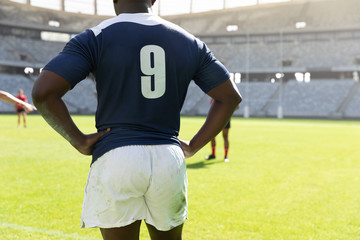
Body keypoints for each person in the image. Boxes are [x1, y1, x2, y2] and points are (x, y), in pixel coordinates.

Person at [32, 0, 242, 239]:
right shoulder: (188, 41)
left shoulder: (95, 37)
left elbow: (43, 93)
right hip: (167, 157)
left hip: (116, 155)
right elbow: (230, 98)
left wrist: (78, 140)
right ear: (154, 0)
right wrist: (193, 146)